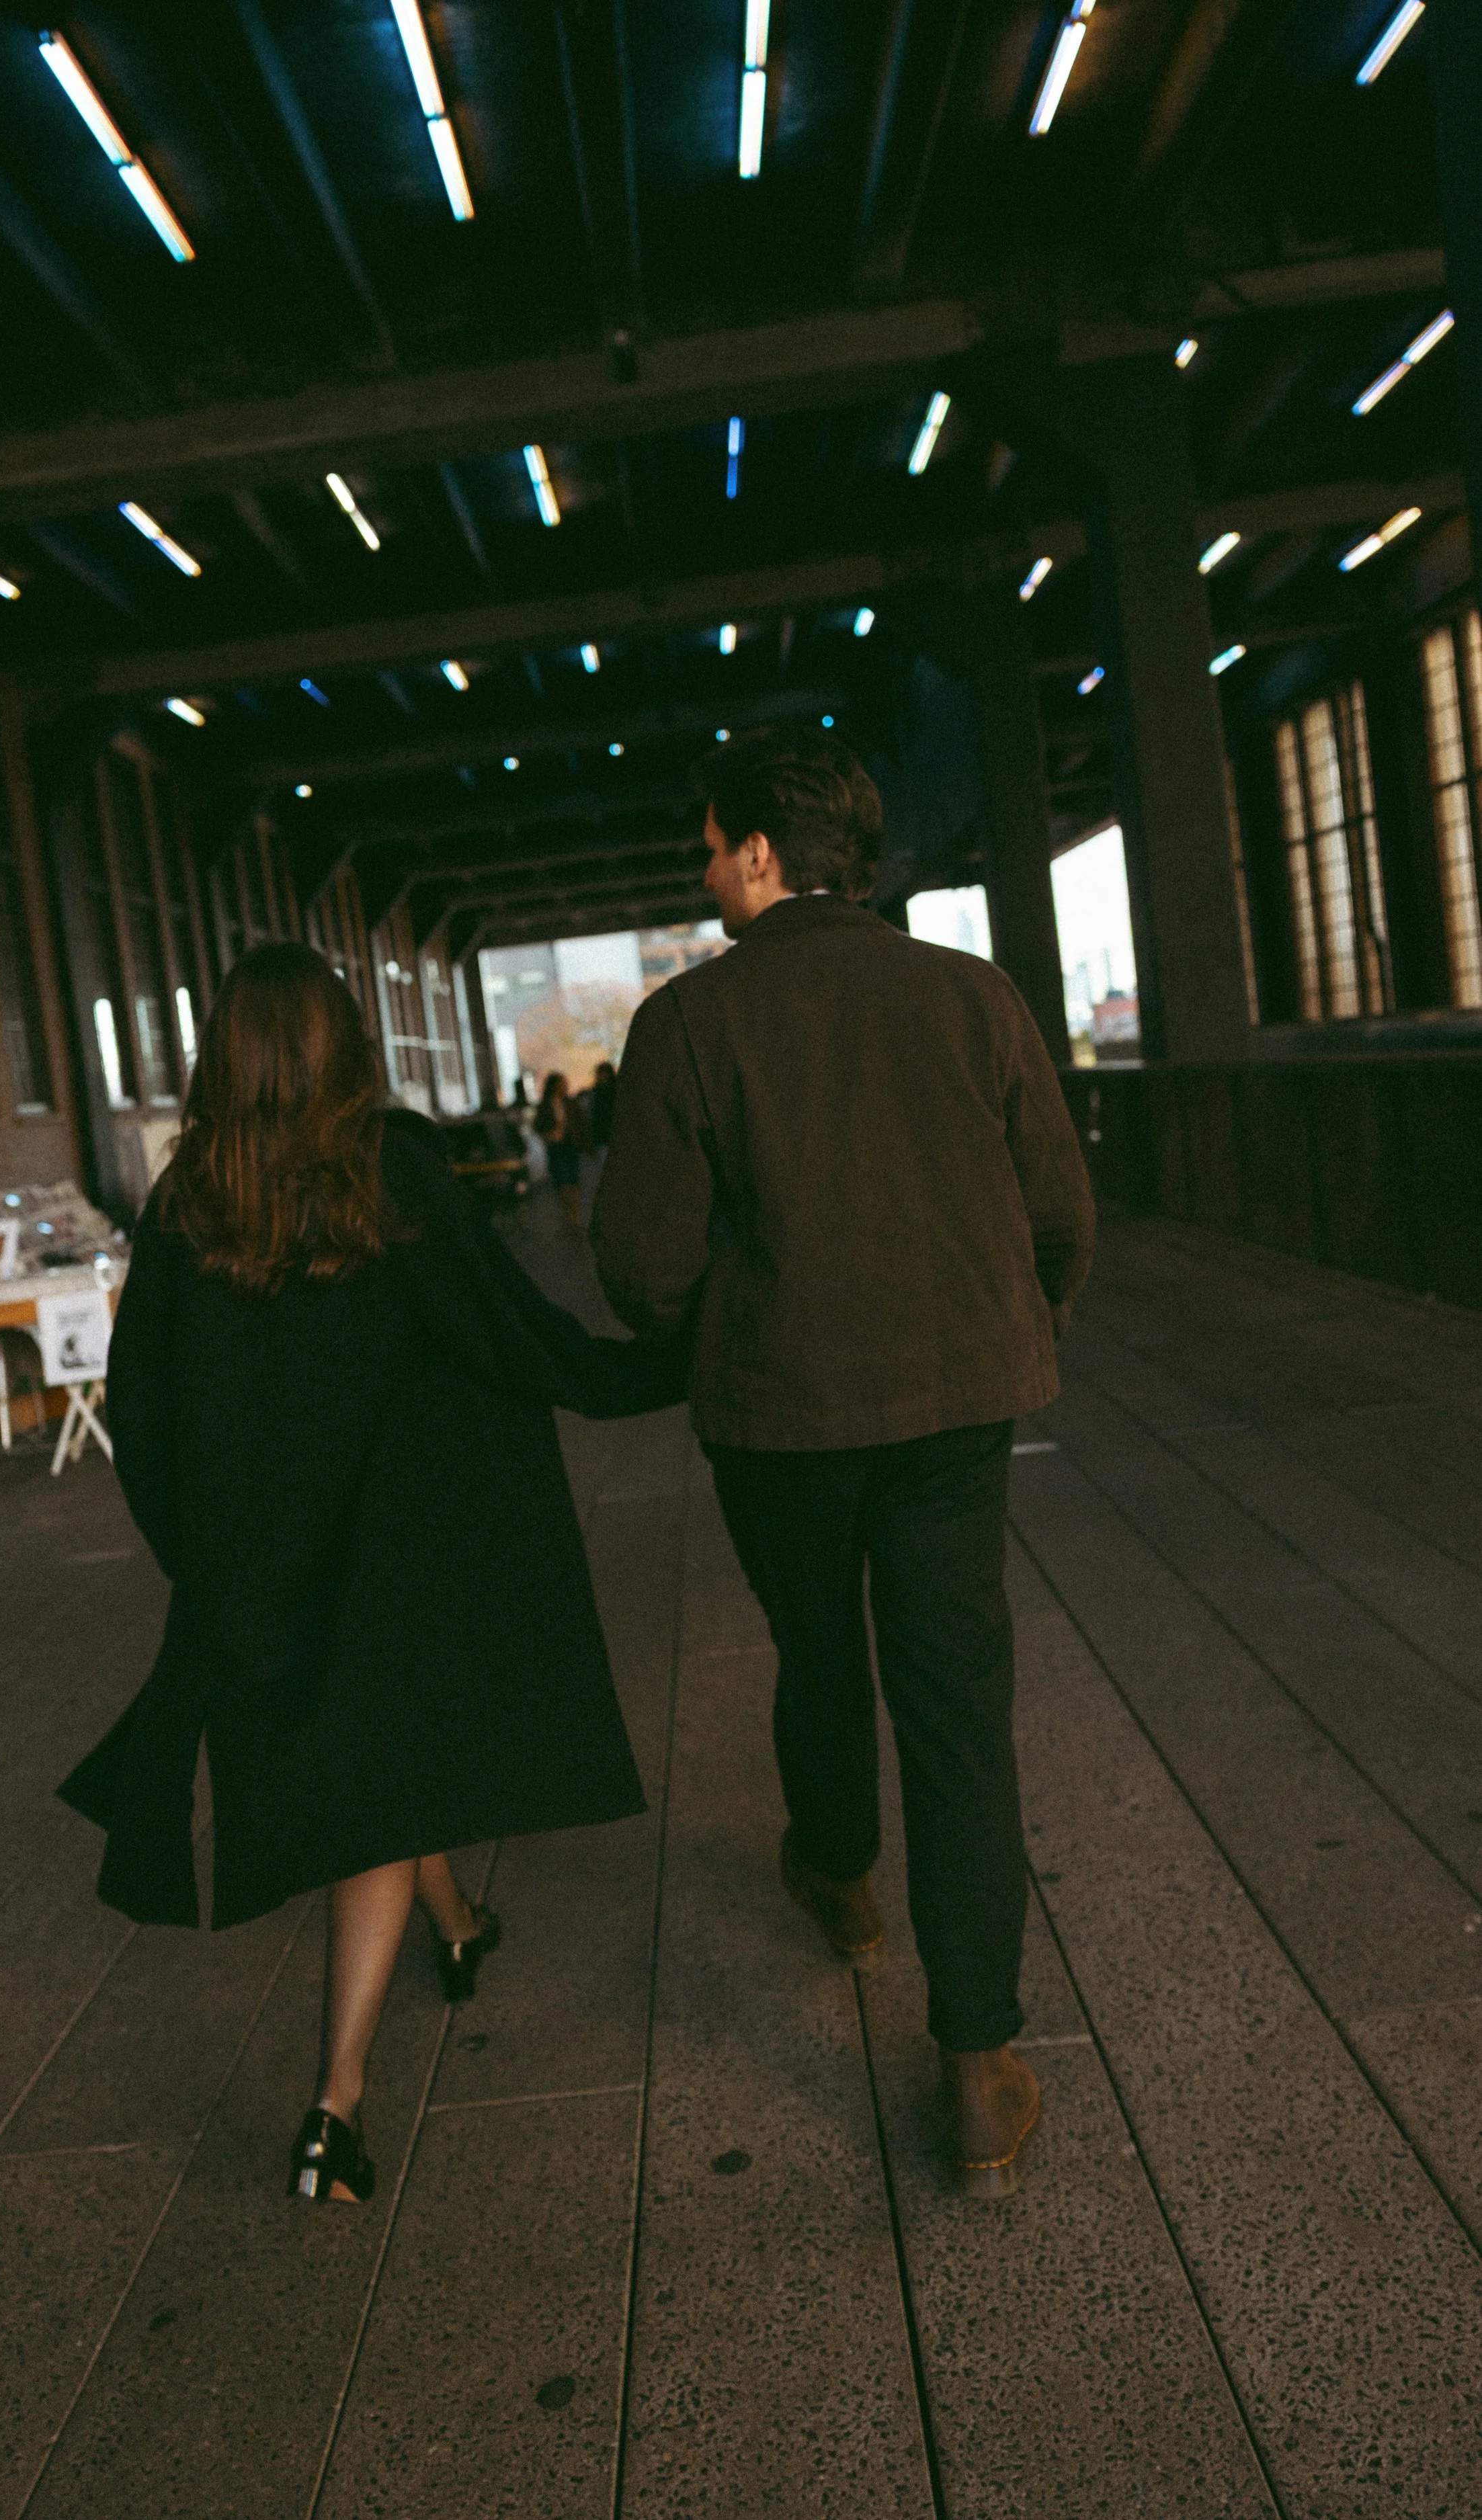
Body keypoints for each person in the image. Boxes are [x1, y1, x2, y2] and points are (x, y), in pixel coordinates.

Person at [60, 945, 682, 2208]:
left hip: (264, 1569)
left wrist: (211, 1567)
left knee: (382, 1764)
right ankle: (334, 2106)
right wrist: (662, 1364)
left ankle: (456, 1927)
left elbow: (142, 1402)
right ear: (345, 1044)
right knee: (384, 1796)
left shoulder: (190, 1203)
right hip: (397, 1560)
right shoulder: (389, 1170)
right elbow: (505, 1332)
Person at [590, 726, 1095, 2199]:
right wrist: (1005, 1327)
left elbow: (640, 1269)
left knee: (815, 1648)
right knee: (956, 1704)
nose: (701, 869)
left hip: (778, 1419)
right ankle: (977, 2067)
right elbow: (1056, 1210)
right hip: (953, 1413)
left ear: (758, 853)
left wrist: (733, 1327)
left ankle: (839, 1874)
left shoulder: (688, 1026)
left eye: (708, 843)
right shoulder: (969, 996)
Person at [533, 1069, 583, 1227]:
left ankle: (574, 1215)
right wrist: (549, 1135)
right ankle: (567, 1214)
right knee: (562, 1180)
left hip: (570, 1145)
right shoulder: (546, 1105)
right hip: (556, 1147)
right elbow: (538, 1125)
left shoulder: (570, 1103)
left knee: (573, 1179)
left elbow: (580, 1122)